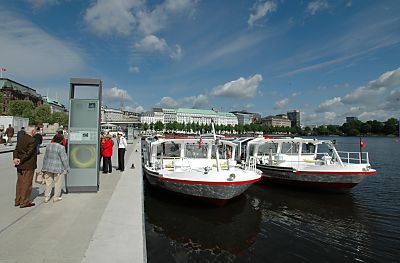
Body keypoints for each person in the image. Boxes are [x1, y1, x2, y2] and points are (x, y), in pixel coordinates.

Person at [13, 127, 37, 208]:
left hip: (20, 165)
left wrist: (16, 158)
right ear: (32, 131)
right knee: (27, 183)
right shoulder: (32, 140)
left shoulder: (21, 138)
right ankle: (24, 202)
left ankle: (18, 200)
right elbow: (29, 153)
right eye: (35, 131)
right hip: (28, 165)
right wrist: (20, 159)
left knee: (20, 183)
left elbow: (16, 149)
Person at [41, 134, 70, 203]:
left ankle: (46, 197)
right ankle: (56, 197)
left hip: (48, 167)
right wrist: (67, 168)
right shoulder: (61, 147)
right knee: (58, 183)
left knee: (48, 183)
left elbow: (45, 157)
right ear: (61, 140)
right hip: (58, 168)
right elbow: (64, 159)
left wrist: (43, 168)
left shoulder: (48, 146)